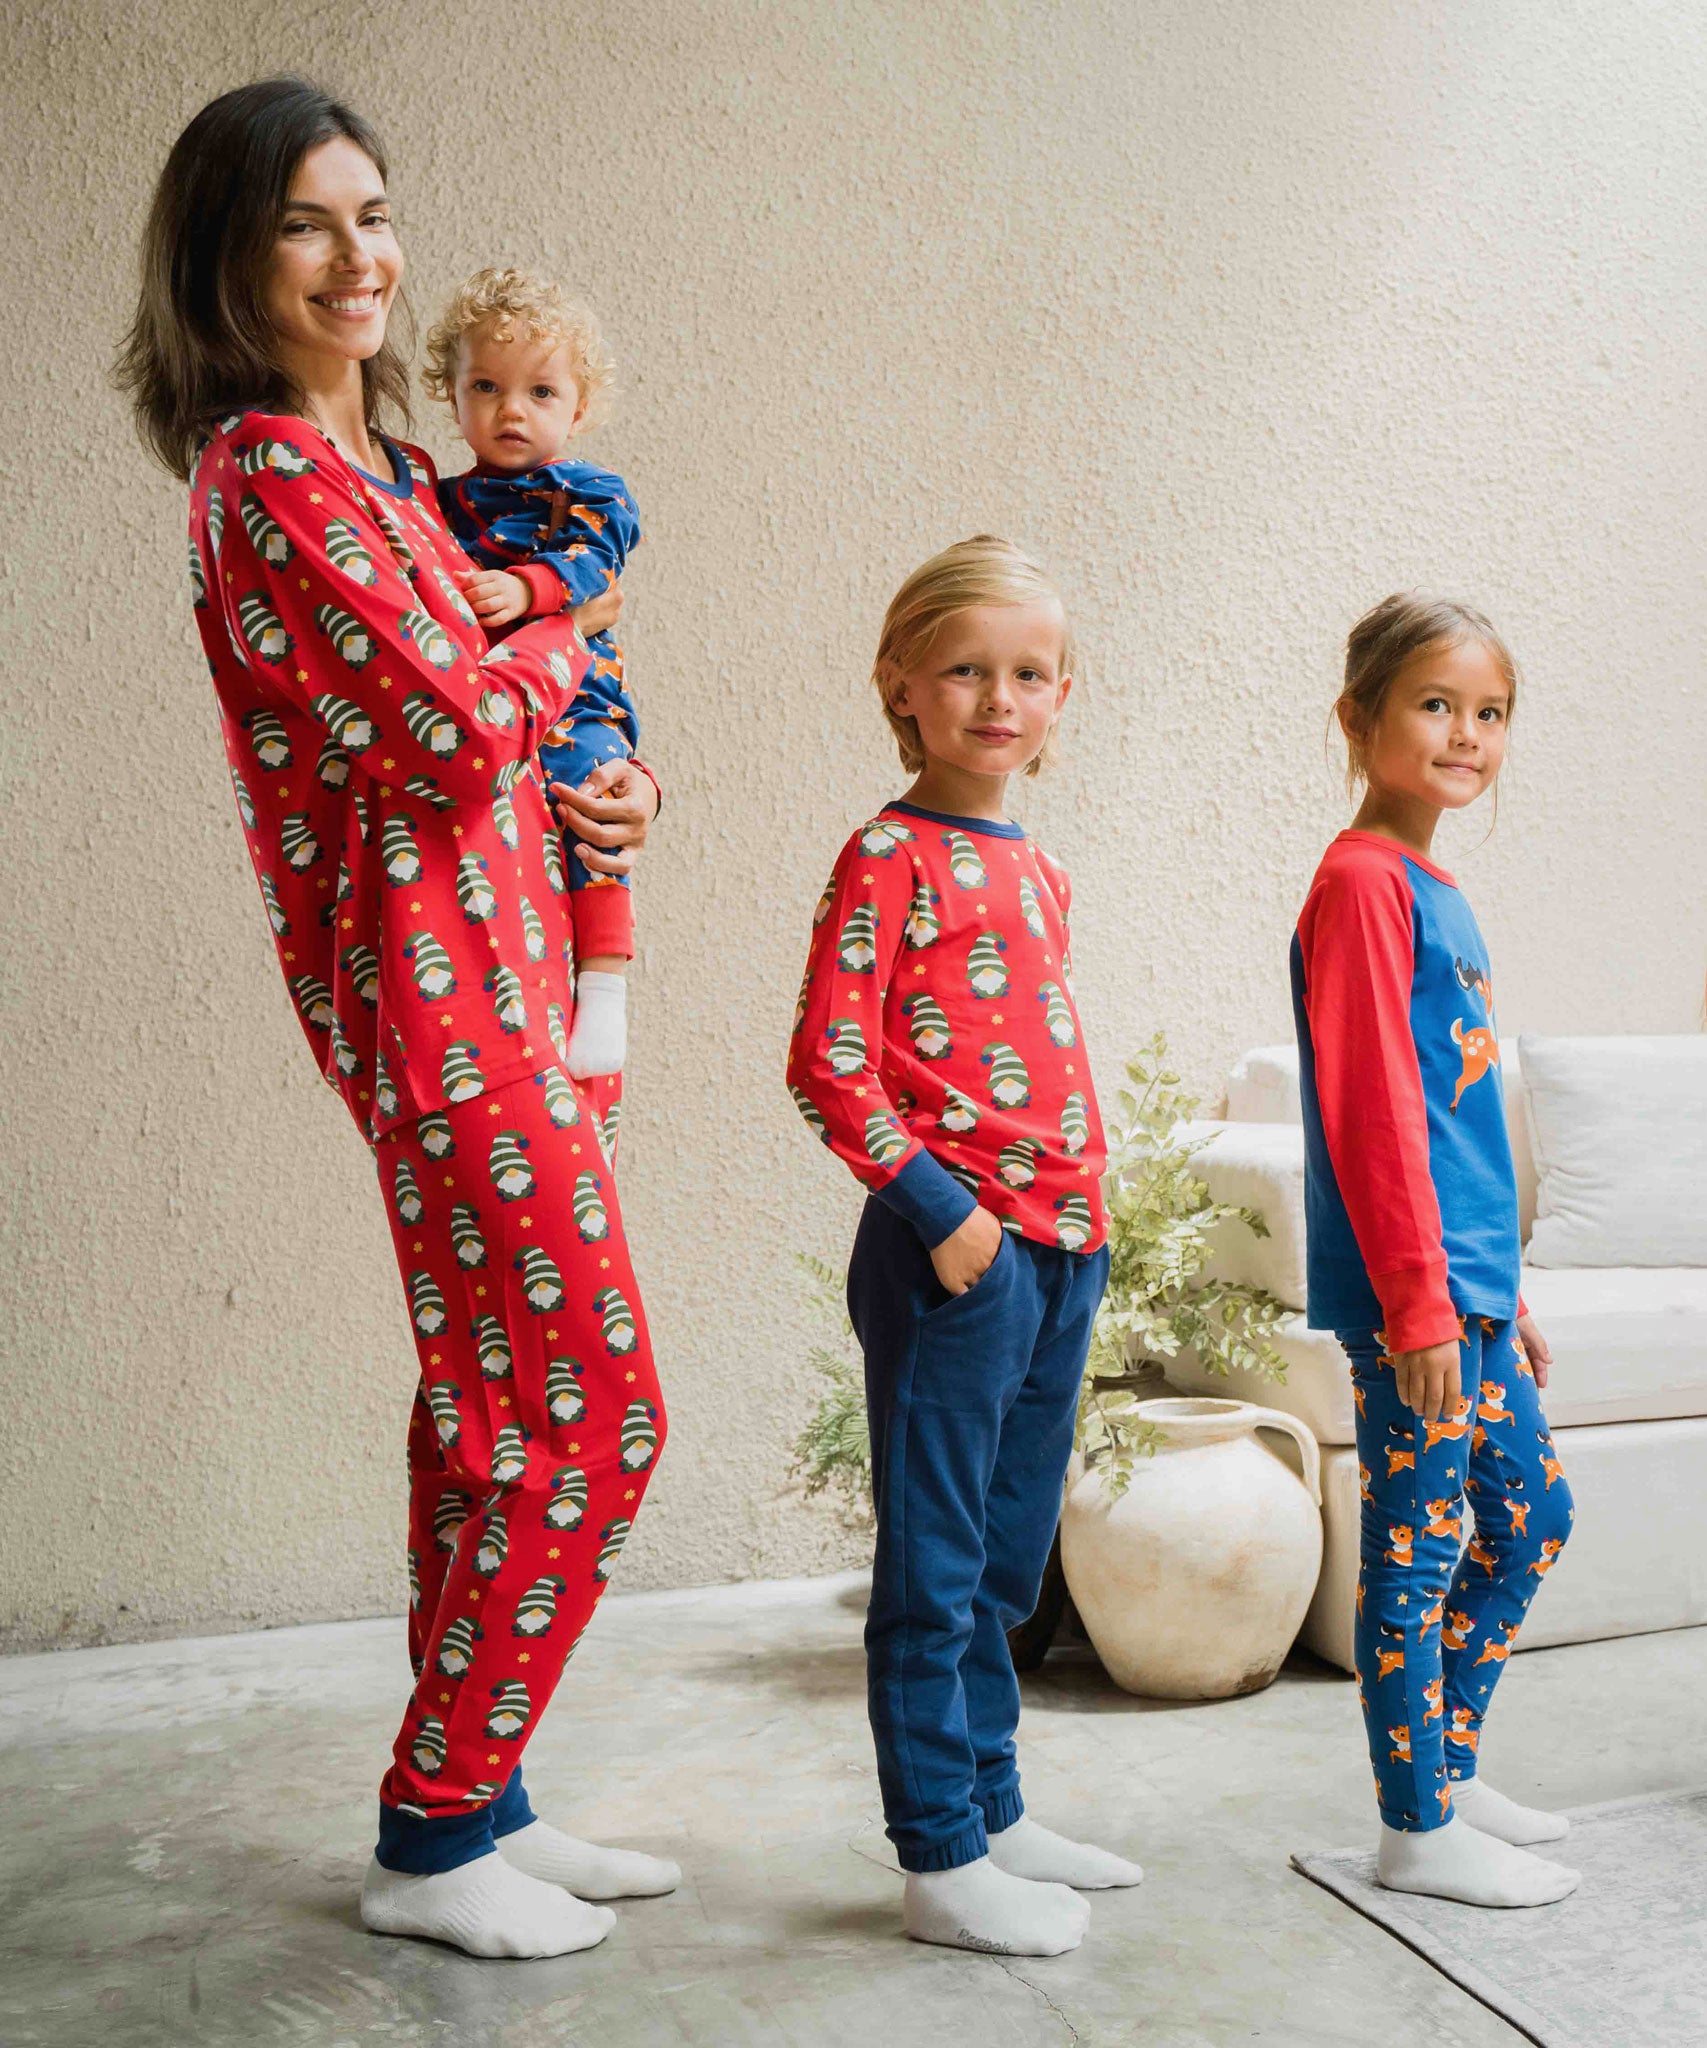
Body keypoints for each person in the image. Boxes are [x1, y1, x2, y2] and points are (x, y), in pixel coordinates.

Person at [118, 76, 673, 1961]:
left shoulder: (401, 480)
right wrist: (547, 634)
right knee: (594, 1409)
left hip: (516, 989)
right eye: (306, 223)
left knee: (490, 1408)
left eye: (375, 213)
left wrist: (608, 779)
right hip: (438, 1021)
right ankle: (431, 1832)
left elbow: (502, 712)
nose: (361, 257)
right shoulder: (268, 476)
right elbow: (443, 726)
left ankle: (486, 1790)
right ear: (230, 259)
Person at [786, 536, 1143, 1958]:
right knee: (934, 1569)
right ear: (902, 686)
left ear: (1060, 695)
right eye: (965, 670)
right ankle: (937, 1854)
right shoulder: (885, 853)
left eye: (1029, 674)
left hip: (1065, 1248)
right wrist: (951, 1226)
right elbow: (826, 1065)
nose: (999, 698)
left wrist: (1070, 1236)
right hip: (962, 1259)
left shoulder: (1035, 869)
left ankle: (993, 1809)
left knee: (1006, 1565)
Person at [1291, 593, 1578, 1908]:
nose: (1463, 734)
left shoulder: (1426, 884)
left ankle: (1444, 1774)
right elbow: (1370, 1113)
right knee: (1411, 1548)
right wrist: (1414, 1308)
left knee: (1532, 1521)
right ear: (1356, 719)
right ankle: (1411, 1831)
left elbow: (1457, 1124)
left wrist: (1494, 1294)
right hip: (1412, 1301)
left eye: (1487, 712)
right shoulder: (1357, 886)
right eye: (1431, 705)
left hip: (1462, 1292)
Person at [427, 267, 641, 1080]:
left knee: (593, 802)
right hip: (491, 711)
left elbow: (598, 565)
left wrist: (527, 588)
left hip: (578, 698)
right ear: (453, 399)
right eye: (487, 386)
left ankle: (606, 983)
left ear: (577, 409)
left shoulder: (588, 491)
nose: (512, 409)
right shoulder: (437, 501)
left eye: (540, 393)